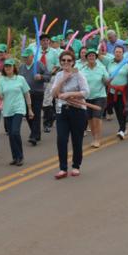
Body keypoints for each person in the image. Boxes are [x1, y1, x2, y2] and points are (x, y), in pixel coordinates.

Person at [52, 50, 90, 179]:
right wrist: (63, 79)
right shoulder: (58, 76)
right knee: (61, 139)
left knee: (76, 140)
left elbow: (86, 92)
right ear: (60, 62)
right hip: (62, 110)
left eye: (69, 60)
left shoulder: (79, 75)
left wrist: (70, 94)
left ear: (73, 62)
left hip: (78, 109)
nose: (66, 62)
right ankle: (63, 168)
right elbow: (54, 93)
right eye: (63, 60)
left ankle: (76, 166)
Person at [0, 58, 33, 166]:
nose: (7, 68)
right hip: (7, 110)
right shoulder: (2, 80)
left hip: (19, 108)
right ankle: (15, 157)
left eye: (10, 66)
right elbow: (1, 97)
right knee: (11, 134)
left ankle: (20, 156)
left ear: (14, 68)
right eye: (6, 66)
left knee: (15, 132)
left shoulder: (20, 79)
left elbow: (27, 94)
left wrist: (30, 109)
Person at [19, 47, 50, 146]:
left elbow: (48, 76)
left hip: (37, 93)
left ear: (32, 56)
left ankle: (34, 135)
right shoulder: (22, 67)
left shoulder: (39, 65)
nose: (25, 59)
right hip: (25, 93)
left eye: (27, 57)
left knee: (36, 113)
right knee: (28, 114)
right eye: (24, 57)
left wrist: (41, 77)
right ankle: (36, 133)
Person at [80, 48, 109, 148]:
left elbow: (107, 82)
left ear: (96, 57)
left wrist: (106, 80)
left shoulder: (101, 68)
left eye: (93, 56)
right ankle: (94, 137)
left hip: (100, 96)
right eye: (89, 56)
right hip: (87, 98)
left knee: (97, 117)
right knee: (90, 120)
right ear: (87, 58)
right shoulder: (82, 70)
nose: (91, 57)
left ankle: (97, 139)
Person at [104, 46, 128, 139]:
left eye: (120, 52)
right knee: (117, 111)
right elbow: (107, 74)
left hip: (124, 92)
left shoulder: (127, 63)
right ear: (114, 53)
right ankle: (123, 127)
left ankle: (122, 130)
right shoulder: (110, 63)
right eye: (116, 52)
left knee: (122, 110)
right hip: (112, 91)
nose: (118, 53)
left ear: (123, 53)